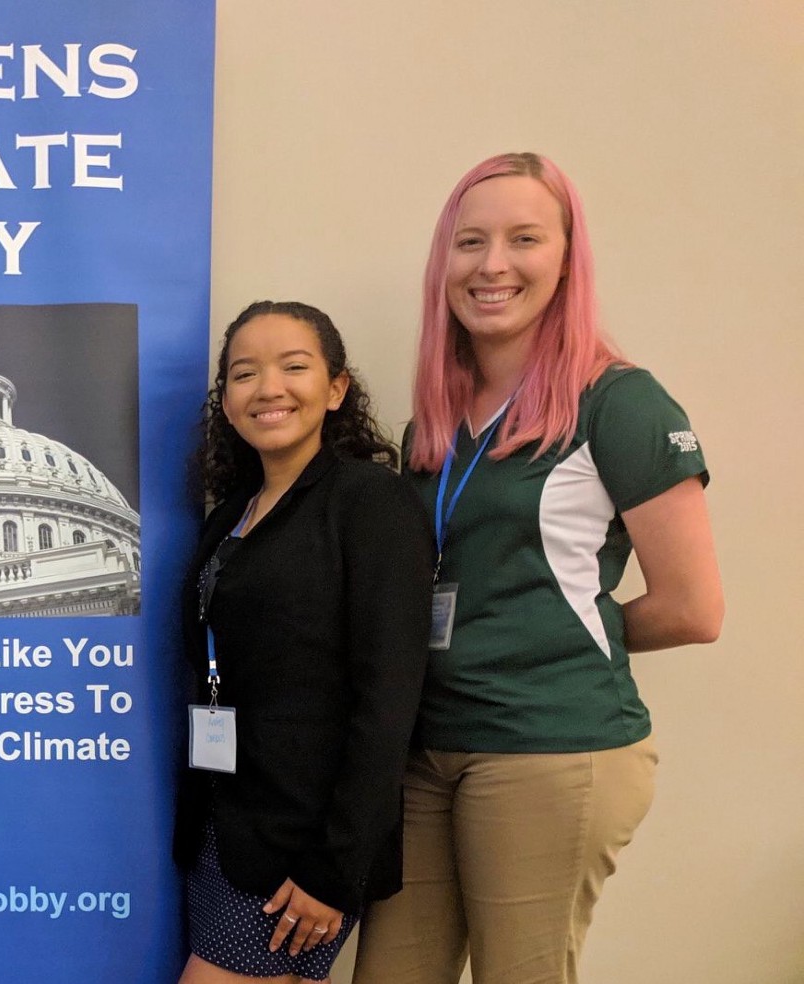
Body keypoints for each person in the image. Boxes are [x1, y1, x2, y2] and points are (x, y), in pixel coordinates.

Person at [353, 153, 723, 984]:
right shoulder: (436, 423)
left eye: (524, 239)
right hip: (427, 749)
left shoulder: (620, 402)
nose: (492, 265)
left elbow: (694, 607)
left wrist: (540, 637)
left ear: (566, 258)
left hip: (548, 749)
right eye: (469, 242)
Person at [177, 301, 435, 984]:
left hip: (304, 845)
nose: (268, 389)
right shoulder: (234, 512)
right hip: (226, 826)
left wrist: (335, 867)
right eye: (244, 373)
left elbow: (389, 695)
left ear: (336, 388)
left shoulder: (370, 502)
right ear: (226, 401)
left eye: (294, 367)